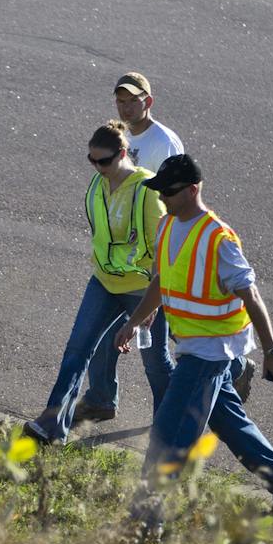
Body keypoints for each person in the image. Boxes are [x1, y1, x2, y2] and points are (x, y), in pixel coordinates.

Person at [113, 155, 273, 533]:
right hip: (191, 347)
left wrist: (271, 350)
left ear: (192, 190)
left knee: (169, 433)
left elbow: (251, 294)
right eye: (160, 192)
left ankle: (144, 520)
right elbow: (160, 282)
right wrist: (133, 321)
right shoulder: (168, 225)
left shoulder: (218, 238)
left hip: (210, 354)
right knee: (230, 423)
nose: (163, 199)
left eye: (169, 192)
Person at [22, 121, 174, 445]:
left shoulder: (147, 191)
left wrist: (152, 304)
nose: (97, 167)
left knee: (156, 363)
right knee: (77, 350)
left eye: (104, 161)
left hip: (143, 291)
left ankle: (171, 431)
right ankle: (52, 426)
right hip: (104, 283)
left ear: (123, 154)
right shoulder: (96, 184)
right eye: (92, 160)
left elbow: (165, 252)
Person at [75, 72, 189, 425]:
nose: (126, 106)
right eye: (120, 100)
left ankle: (171, 421)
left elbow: (177, 199)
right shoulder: (119, 137)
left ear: (148, 101)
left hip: (156, 262)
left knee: (155, 352)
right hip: (123, 265)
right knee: (106, 334)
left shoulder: (164, 143)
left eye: (133, 100)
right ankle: (100, 399)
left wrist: (164, 263)